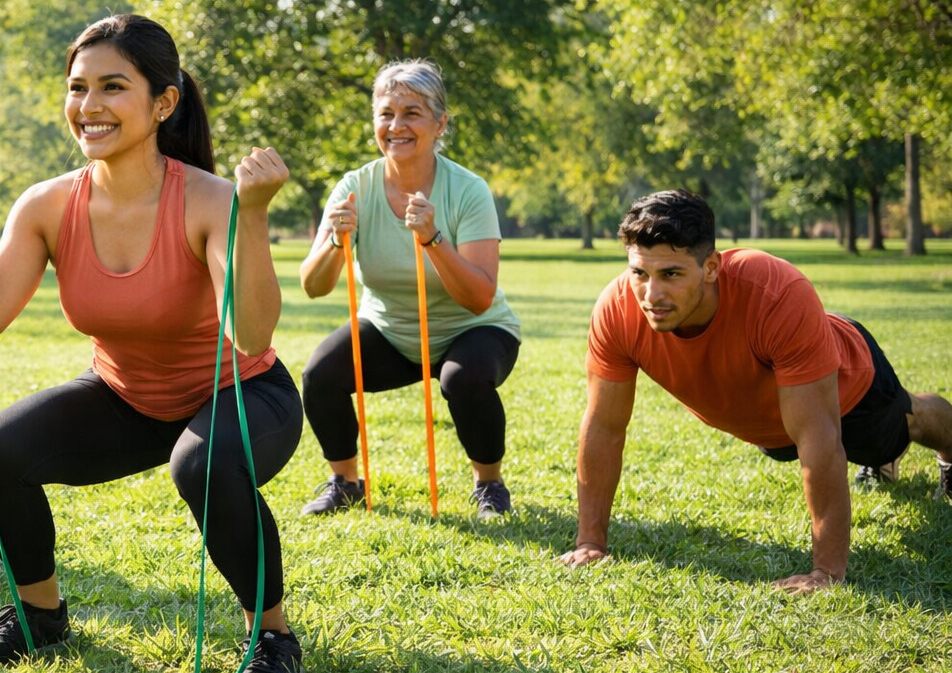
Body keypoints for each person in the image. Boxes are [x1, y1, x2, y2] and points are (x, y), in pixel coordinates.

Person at [0, 14, 305, 673]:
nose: (88, 107)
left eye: (112, 87)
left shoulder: (212, 200)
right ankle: (40, 614)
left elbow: (250, 334)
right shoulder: (47, 204)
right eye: (78, 87)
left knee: (203, 462)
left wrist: (253, 215)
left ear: (162, 103)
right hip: (125, 398)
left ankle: (270, 638)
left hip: (242, 395)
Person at [560, 189, 952, 593]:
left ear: (711, 268)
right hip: (774, 424)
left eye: (672, 274)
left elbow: (819, 435)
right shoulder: (617, 309)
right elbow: (605, 426)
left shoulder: (775, 291)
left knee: (904, 426)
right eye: (640, 273)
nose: (651, 295)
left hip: (850, 387)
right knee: (794, 444)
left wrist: (826, 572)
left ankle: (942, 452)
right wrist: (591, 543)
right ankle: (878, 463)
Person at [298, 59, 521, 518]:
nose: (396, 125)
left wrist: (432, 240)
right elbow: (314, 286)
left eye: (412, 113)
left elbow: (479, 295)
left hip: (474, 329)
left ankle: (490, 485)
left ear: (440, 123)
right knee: (320, 373)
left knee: (464, 377)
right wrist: (335, 244)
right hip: (392, 331)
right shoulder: (353, 188)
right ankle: (345, 482)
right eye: (386, 113)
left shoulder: (468, 190)